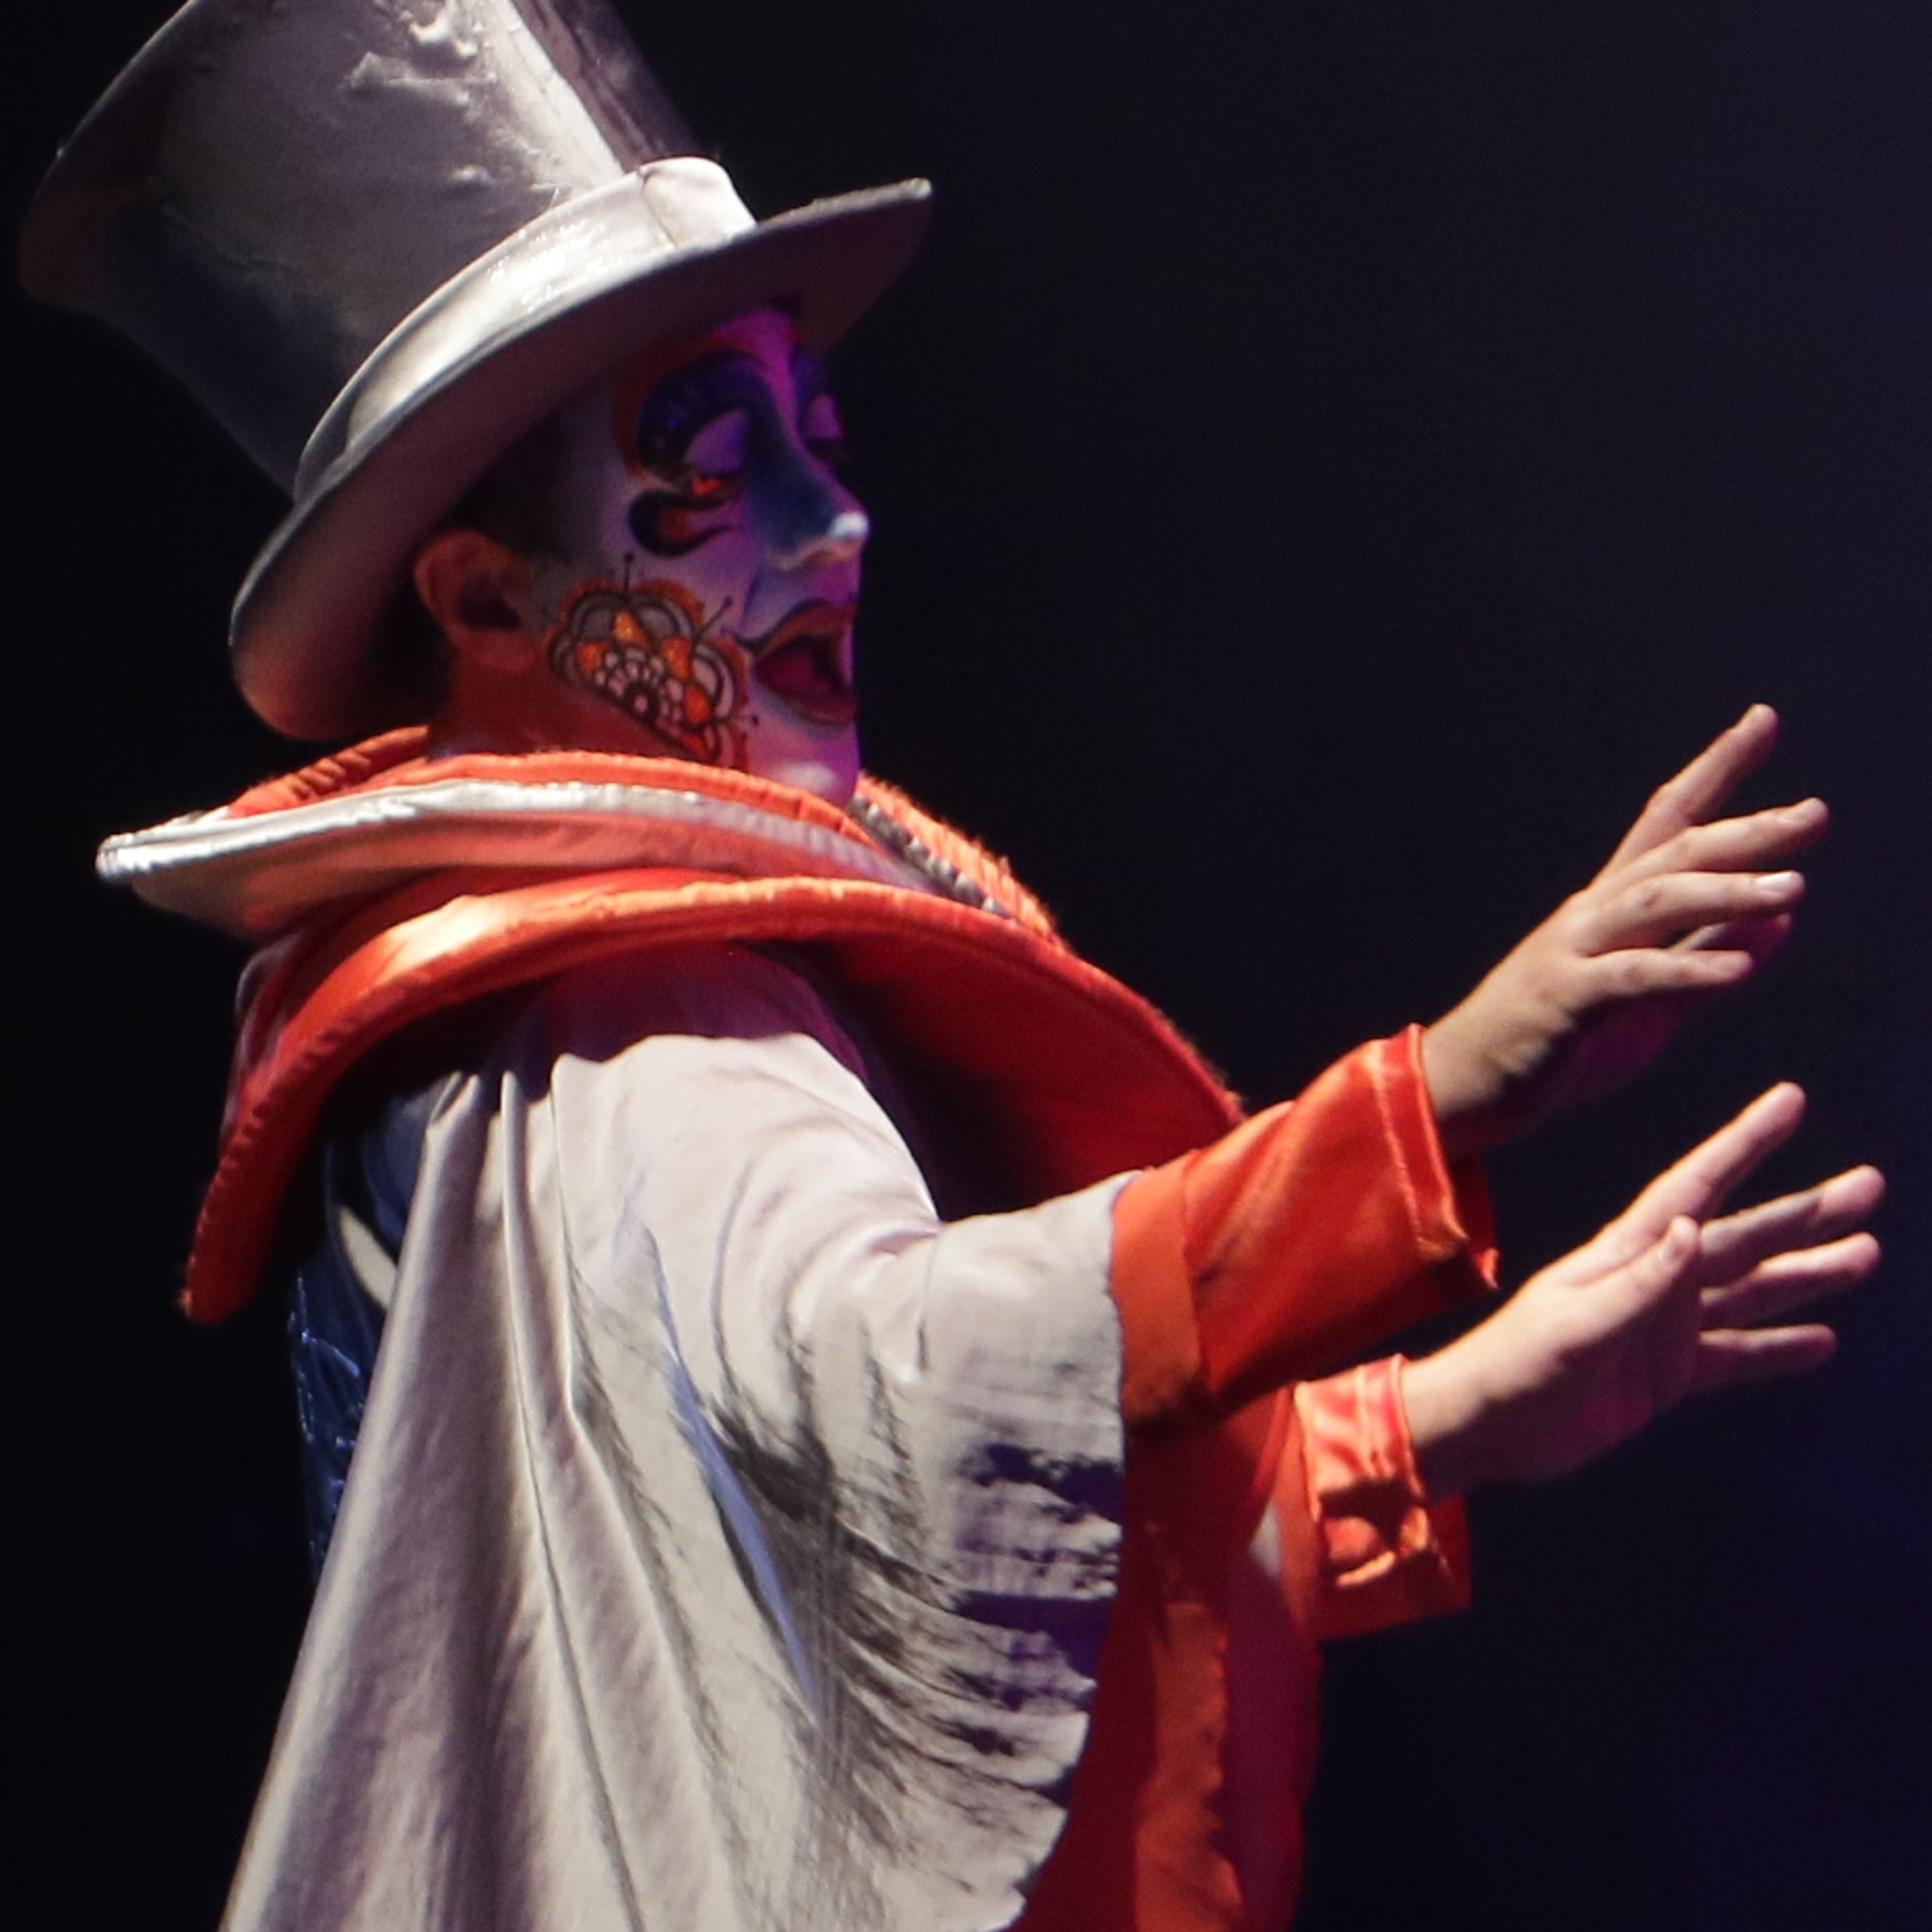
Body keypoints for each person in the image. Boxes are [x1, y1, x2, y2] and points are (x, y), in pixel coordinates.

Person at [24, 5, 1880, 1930]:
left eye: (819, 445)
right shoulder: (619, 1025)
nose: (837, 525)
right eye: (719, 465)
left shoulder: (560, 1002)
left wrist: (1439, 1425)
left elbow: (849, 1575)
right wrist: (1433, 1104)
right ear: (487, 596)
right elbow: (901, 1392)